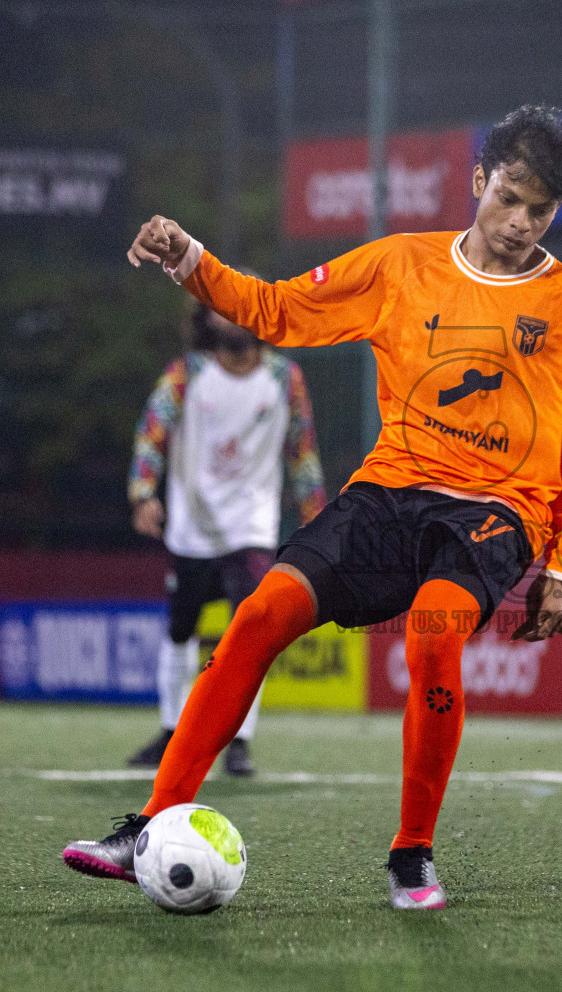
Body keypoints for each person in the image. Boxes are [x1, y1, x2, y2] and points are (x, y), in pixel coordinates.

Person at [63, 105, 562, 910]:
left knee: (431, 639)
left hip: (495, 513)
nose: (522, 222)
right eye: (511, 198)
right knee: (257, 615)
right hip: (388, 493)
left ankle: (412, 853)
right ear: (479, 179)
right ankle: (148, 823)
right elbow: (277, 309)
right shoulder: (399, 264)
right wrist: (191, 262)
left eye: (542, 209)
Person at [125, 291, 327, 776]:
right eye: (220, 304)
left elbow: (303, 449)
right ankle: (172, 731)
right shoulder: (187, 374)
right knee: (180, 631)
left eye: (239, 301)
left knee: (250, 633)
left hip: (251, 528)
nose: (230, 312)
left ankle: (238, 741)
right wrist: (142, 492)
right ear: (206, 318)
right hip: (192, 528)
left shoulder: (284, 378)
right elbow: (151, 432)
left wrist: (316, 515)